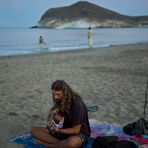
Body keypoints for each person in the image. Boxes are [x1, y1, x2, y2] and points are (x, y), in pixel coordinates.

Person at [31, 80, 91, 148]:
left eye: (58, 94)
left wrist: (59, 130)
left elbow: (76, 130)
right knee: (34, 130)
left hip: (79, 134)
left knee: (72, 143)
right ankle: (62, 144)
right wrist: (52, 124)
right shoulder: (62, 100)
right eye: (54, 94)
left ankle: (50, 145)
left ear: (65, 93)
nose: (55, 97)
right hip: (64, 132)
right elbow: (59, 117)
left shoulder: (77, 104)